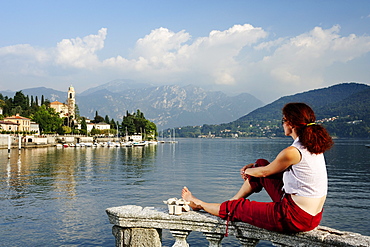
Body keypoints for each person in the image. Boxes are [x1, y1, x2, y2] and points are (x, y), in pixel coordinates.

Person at [182, 102, 333, 233]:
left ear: (291, 123)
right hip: (312, 216)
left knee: (242, 204)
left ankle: (200, 204)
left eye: (283, 120)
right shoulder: (312, 147)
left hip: (295, 217)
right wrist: (254, 168)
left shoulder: (292, 152)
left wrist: (246, 171)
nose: (282, 124)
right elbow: (264, 169)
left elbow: (265, 172)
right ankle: (229, 203)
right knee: (260, 162)